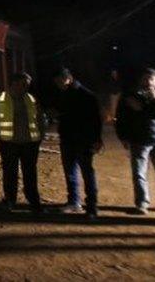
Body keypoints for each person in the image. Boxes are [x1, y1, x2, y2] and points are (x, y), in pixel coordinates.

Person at [115, 68, 155, 215]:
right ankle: (142, 203)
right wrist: (123, 136)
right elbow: (121, 117)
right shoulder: (130, 95)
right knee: (140, 173)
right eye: (146, 78)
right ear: (140, 80)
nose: (149, 82)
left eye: (152, 79)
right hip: (139, 139)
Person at [50, 68, 103, 218]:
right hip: (67, 139)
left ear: (69, 78)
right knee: (70, 172)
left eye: (60, 80)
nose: (58, 83)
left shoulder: (86, 95)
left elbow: (96, 120)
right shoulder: (63, 94)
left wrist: (97, 139)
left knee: (87, 172)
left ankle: (91, 206)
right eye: (56, 82)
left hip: (83, 140)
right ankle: (74, 202)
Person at [0, 72, 44, 214]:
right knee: (10, 173)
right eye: (24, 84)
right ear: (14, 83)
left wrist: (40, 137)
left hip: (29, 143)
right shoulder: (1, 98)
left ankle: (34, 201)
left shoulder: (31, 99)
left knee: (30, 173)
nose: (26, 87)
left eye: (27, 85)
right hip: (8, 143)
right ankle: (10, 200)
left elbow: (39, 119)